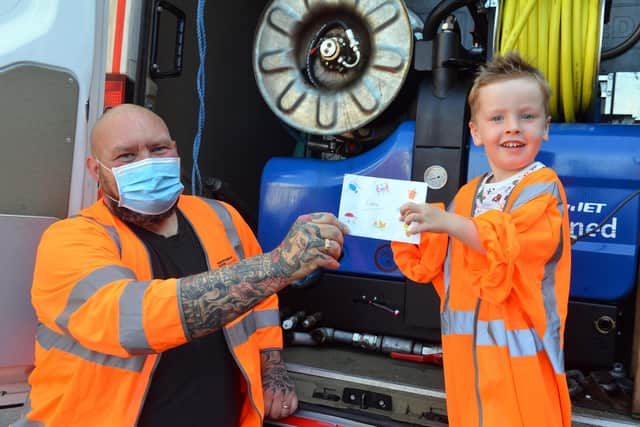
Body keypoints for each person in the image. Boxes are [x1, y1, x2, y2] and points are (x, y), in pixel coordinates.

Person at [16, 104, 348, 427]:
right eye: (127, 156)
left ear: (175, 151)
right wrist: (280, 265)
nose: (147, 162)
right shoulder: (71, 239)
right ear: (96, 169)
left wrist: (272, 367)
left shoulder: (222, 218)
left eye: (158, 149)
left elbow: (261, 300)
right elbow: (130, 318)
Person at [391, 52, 572, 426]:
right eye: (497, 118)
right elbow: (442, 266)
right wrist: (407, 229)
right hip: (467, 359)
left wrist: (447, 222)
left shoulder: (541, 190)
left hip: (520, 361)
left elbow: (510, 243)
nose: (513, 128)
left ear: (546, 127)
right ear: (475, 133)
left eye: (527, 116)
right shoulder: (468, 195)